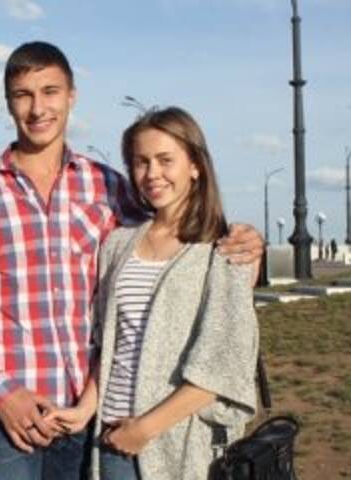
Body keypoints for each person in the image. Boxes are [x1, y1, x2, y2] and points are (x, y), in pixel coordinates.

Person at [0, 41, 263, 480]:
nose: (38, 108)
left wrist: (247, 245)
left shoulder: (106, 185)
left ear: (72, 96)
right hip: (10, 412)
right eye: (23, 95)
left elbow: (174, 239)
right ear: (8, 102)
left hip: (87, 413)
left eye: (50, 91)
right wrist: (2, 393)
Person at [46, 107, 259, 480]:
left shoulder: (224, 249)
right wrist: (84, 410)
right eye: (141, 162)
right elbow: (110, 345)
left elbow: (223, 364)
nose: (152, 173)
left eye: (165, 160)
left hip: (180, 444)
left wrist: (145, 429)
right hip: (113, 439)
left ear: (195, 166)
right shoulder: (118, 244)